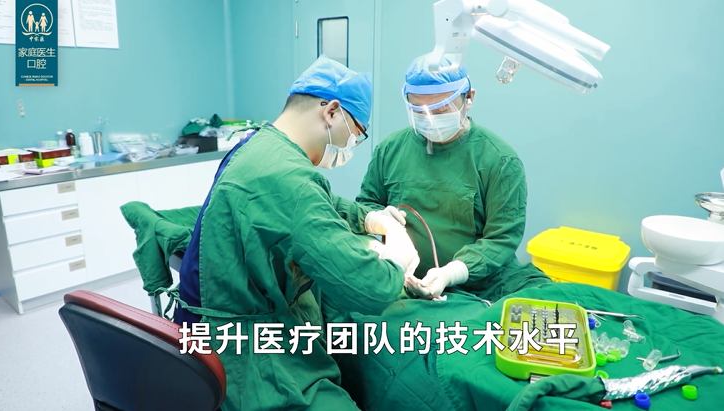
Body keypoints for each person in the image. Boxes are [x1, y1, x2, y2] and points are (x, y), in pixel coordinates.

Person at [171, 55, 419, 411]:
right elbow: (370, 287)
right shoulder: (291, 178)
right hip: (243, 358)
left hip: (207, 330)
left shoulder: (258, 145)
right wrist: (396, 259)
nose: (351, 146)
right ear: (331, 112)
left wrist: (370, 218)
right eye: (356, 134)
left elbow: (316, 201)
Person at [356, 53, 551, 303]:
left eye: (441, 110)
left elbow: (501, 238)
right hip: (407, 281)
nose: (429, 119)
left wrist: (453, 272)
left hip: (484, 285)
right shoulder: (390, 150)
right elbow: (365, 205)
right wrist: (377, 218)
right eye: (419, 111)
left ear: (469, 98)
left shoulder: (500, 160)